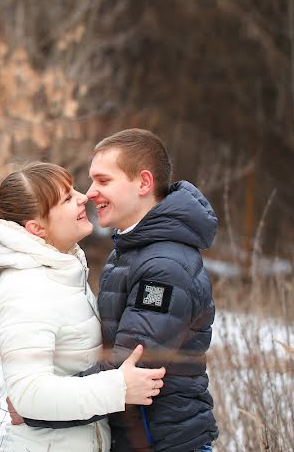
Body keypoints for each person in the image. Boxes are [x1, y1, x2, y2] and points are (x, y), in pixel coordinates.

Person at [14, 129, 218, 452]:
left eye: (103, 181)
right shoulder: (129, 251)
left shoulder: (165, 266)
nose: (90, 192)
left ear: (144, 183)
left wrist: (38, 407)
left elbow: (128, 367)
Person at [0, 161, 166, 452]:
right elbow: (30, 394)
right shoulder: (25, 289)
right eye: (67, 198)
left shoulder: (62, 273)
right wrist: (118, 387)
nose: (84, 197)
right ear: (37, 227)